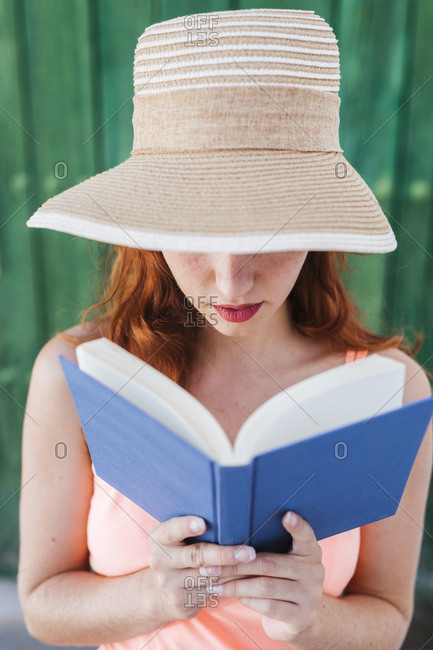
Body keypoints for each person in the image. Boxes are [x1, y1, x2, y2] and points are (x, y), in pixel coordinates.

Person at [18, 8, 432, 650]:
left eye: (267, 234)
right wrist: (151, 598)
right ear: (153, 231)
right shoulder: (75, 374)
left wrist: (311, 618)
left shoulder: (391, 391)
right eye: (195, 235)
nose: (231, 282)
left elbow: (390, 616)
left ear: (314, 225)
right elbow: (43, 607)